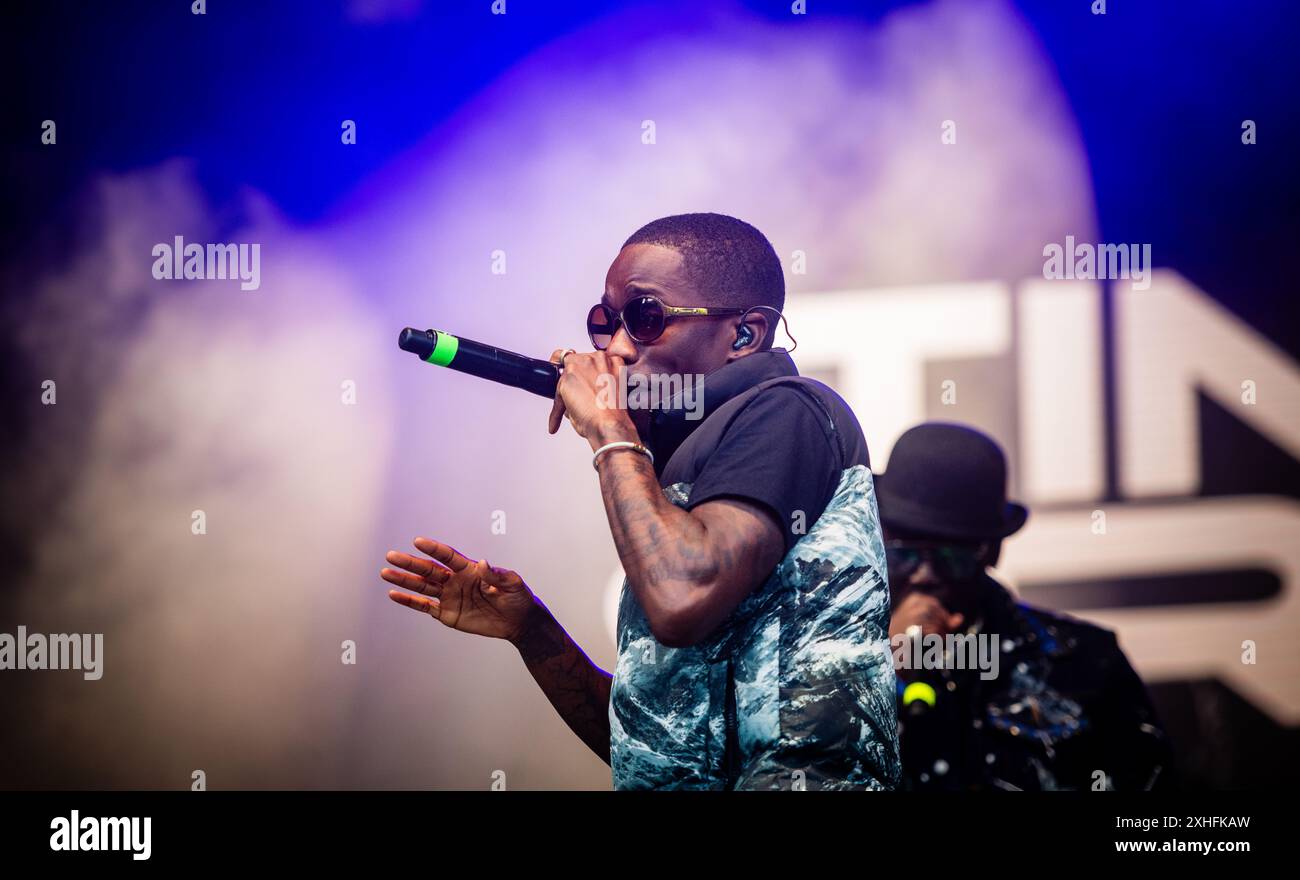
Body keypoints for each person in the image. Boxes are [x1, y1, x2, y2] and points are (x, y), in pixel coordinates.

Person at [380, 213, 899, 790]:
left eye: (645, 317)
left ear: (746, 335)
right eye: (605, 322)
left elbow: (681, 599)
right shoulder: (673, 456)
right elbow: (657, 752)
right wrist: (532, 631)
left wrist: (609, 427)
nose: (617, 347)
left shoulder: (789, 410)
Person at [877, 421, 1172, 790]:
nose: (925, 576)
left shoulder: (1085, 662)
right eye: (903, 554)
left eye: (952, 556)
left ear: (992, 551)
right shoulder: (828, 658)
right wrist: (882, 674)